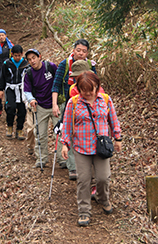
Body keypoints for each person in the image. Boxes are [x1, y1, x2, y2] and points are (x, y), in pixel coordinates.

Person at [60, 71, 122, 227]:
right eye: (83, 89)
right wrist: (65, 144)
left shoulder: (105, 100)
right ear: (78, 88)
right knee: (84, 180)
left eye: (90, 89)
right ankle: (84, 210)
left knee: (103, 177)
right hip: (81, 147)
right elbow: (67, 125)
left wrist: (118, 137)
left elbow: (113, 120)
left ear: (97, 87)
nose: (87, 93)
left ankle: (102, 198)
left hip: (101, 147)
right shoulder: (73, 103)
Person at [52, 39, 97, 180]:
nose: (81, 53)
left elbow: (96, 84)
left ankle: (86, 165)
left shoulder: (90, 65)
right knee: (70, 132)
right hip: (68, 104)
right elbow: (56, 85)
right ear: (73, 50)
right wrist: (54, 105)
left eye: (84, 51)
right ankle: (72, 167)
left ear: (87, 52)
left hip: (88, 104)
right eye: (78, 50)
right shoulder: (65, 65)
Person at [23, 49, 66, 168]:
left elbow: (59, 82)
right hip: (40, 106)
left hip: (55, 105)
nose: (32, 61)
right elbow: (27, 90)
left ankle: (62, 159)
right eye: (29, 59)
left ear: (39, 57)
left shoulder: (50, 67)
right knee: (40, 134)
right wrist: (31, 99)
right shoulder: (29, 73)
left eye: (34, 58)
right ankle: (41, 158)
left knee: (59, 133)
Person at [0, 44, 28, 139]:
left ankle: (20, 129)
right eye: (15, 55)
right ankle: (10, 126)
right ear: (12, 54)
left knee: (22, 109)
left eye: (19, 55)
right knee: (11, 107)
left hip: (21, 88)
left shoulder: (26, 64)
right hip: (10, 88)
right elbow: (2, 77)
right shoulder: (7, 63)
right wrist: (0, 89)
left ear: (22, 54)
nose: (17, 57)